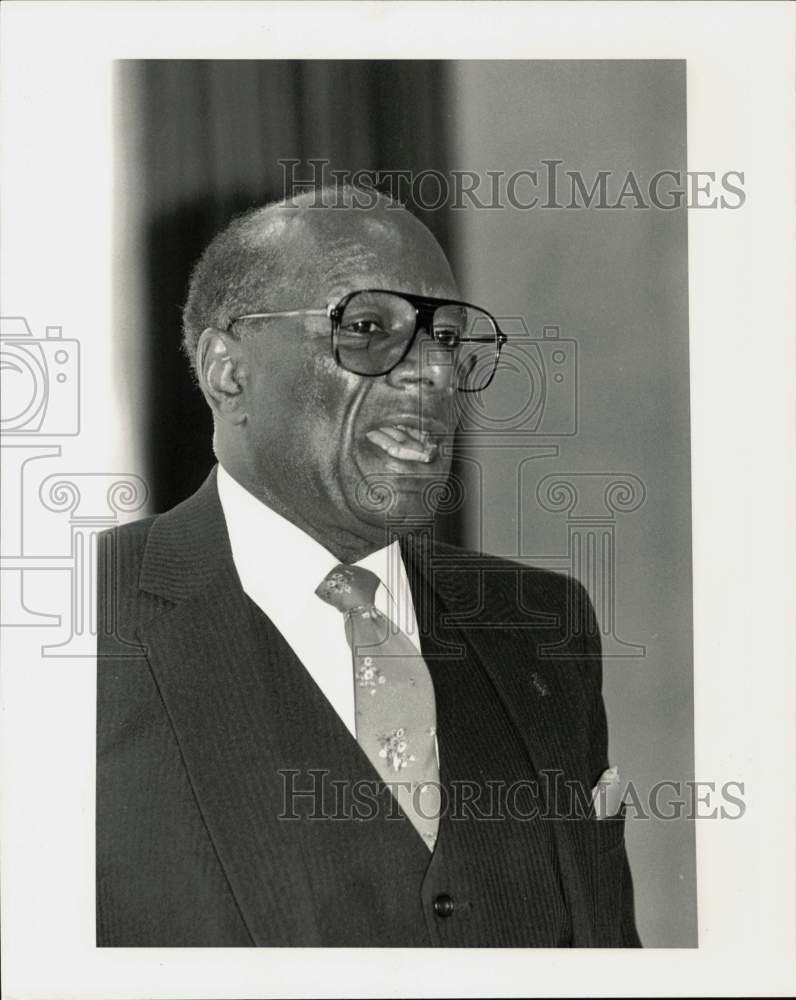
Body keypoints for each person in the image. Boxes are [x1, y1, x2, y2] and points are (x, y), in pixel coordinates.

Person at [96, 187, 641, 947]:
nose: (435, 376)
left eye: (448, 339)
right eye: (367, 327)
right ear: (228, 372)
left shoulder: (541, 625)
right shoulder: (81, 623)